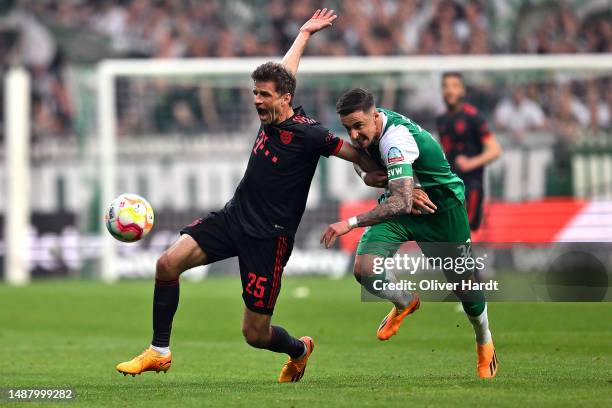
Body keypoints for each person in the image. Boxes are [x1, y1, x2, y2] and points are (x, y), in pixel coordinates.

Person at [115, 9, 378, 383]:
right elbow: (285, 72)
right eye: (255, 92)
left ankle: (299, 349)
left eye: (264, 95)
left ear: (285, 99)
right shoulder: (272, 113)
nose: (257, 100)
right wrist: (303, 33)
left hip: (269, 238)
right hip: (234, 216)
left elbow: (358, 155)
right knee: (166, 265)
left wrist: (387, 176)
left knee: (254, 335)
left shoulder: (311, 135)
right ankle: (159, 351)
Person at [321, 88, 498, 378]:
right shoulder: (368, 132)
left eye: (358, 126)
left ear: (376, 117)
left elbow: (401, 201)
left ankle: (485, 342)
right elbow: (359, 160)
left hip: (441, 211)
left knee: (466, 288)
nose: (353, 134)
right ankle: (405, 301)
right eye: (348, 128)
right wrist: (369, 176)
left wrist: (350, 223)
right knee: (365, 269)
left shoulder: (395, 139)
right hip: (400, 213)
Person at [436, 72, 502, 231]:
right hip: (450, 188)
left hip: (471, 188)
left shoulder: (473, 117)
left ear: (463, 91)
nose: (450, 90)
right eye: (446, 86)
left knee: (467, 233)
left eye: (455, 86)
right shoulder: (441, 120)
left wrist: (471, 163)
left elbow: (495, 150)